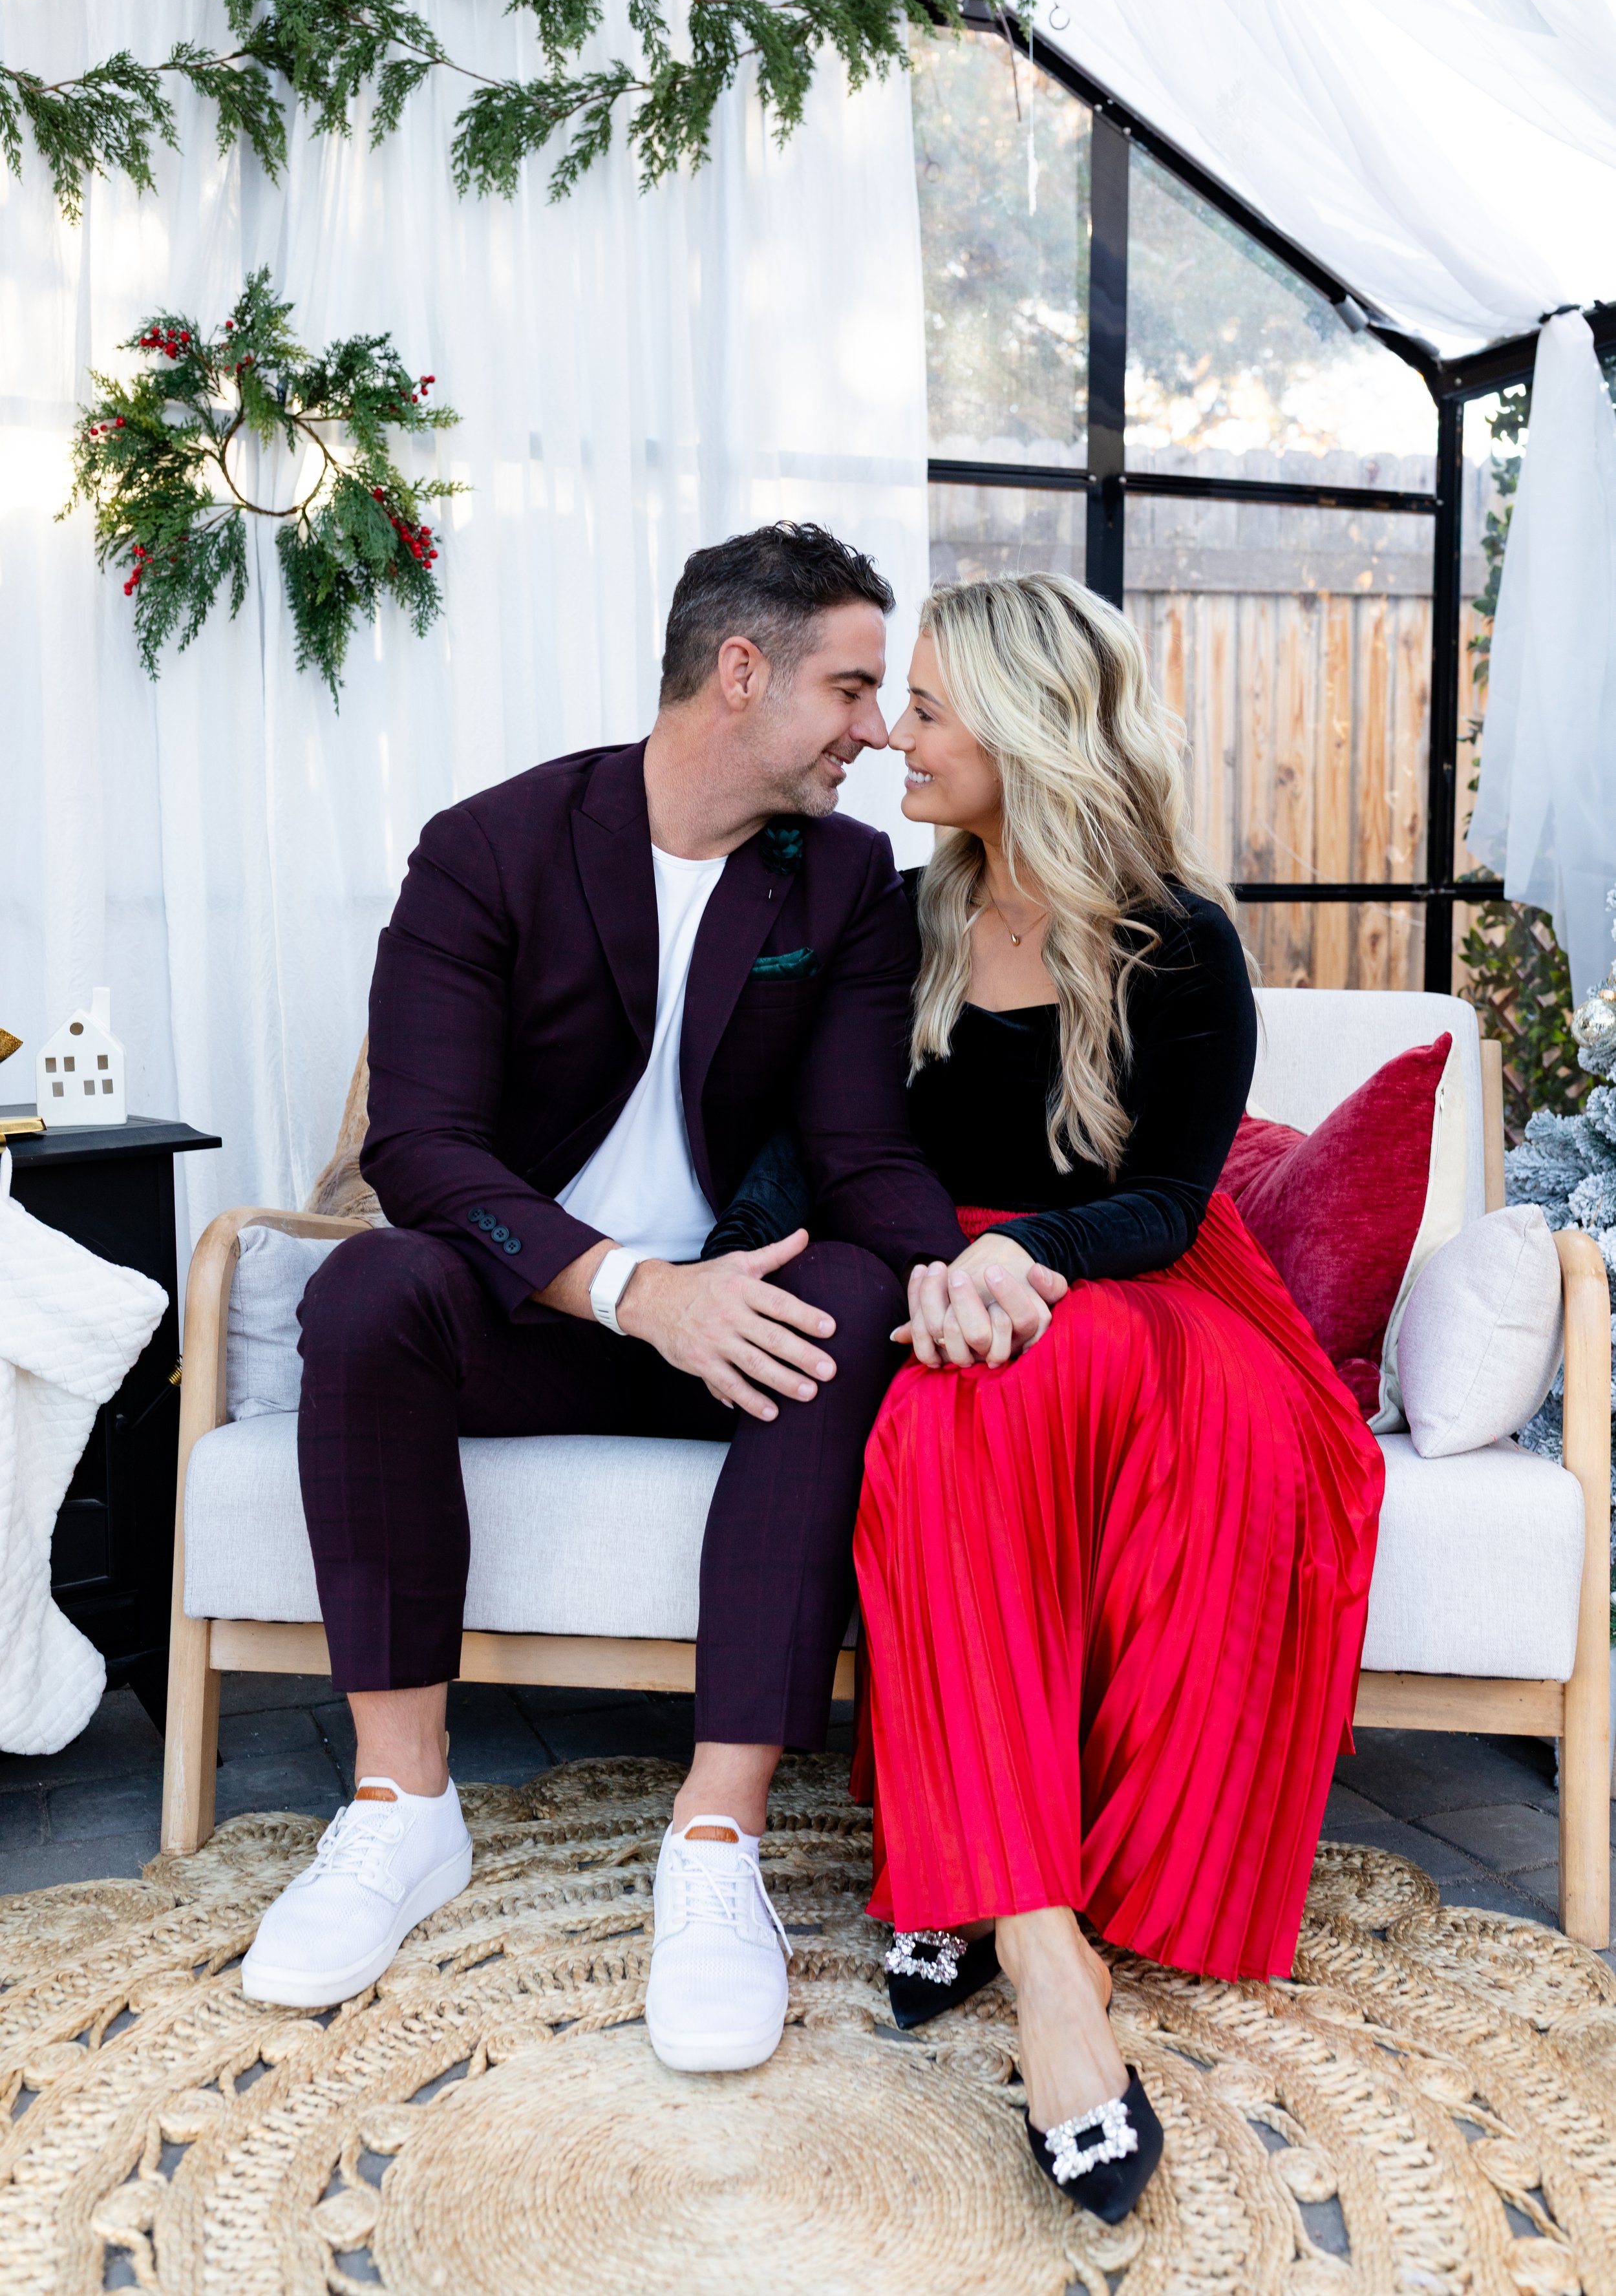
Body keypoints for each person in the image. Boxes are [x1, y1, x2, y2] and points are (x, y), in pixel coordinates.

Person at [240, 523, 1016, 2070]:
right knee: (370, 1293)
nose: (877, 728)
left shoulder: (845, 875)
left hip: (738, 1328)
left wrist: (946, 1262)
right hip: (544, 1314)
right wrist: (632, 1291)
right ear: (741, 672)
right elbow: (423, 1148)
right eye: (853, 689)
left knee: (852, 1293)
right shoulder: (490, 847)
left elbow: (861, 1146)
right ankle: (403, 1808)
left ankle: (714, 1842)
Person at [852, 572, 1385, 2222]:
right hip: (935, 1279)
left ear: (1021, 728)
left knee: (1004, 1379)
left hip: (1138, 1290)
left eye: (927, 707)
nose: (893, 734)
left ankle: (967, 1881)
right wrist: (925, 1266)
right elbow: (837, 1145)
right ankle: (1038, 1950)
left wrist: (1023, 1265)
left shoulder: (1176, 935)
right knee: (944, 1410)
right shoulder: (903, 918)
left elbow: (1162, 1197)